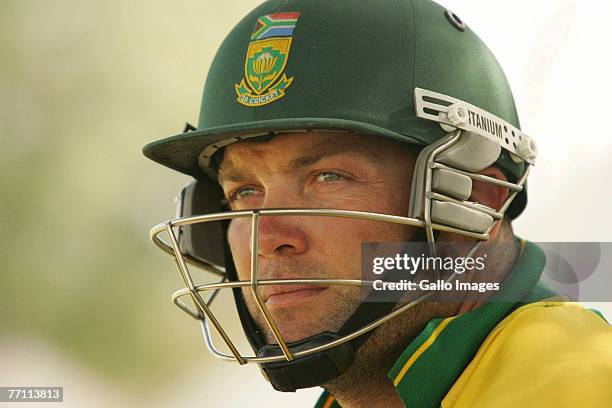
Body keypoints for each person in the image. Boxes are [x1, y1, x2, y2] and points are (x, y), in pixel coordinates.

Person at [143, 0, 612, 406]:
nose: (268, 241)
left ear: (477, 203)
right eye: (244, 193)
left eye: (328, 178)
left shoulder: (581, 383)